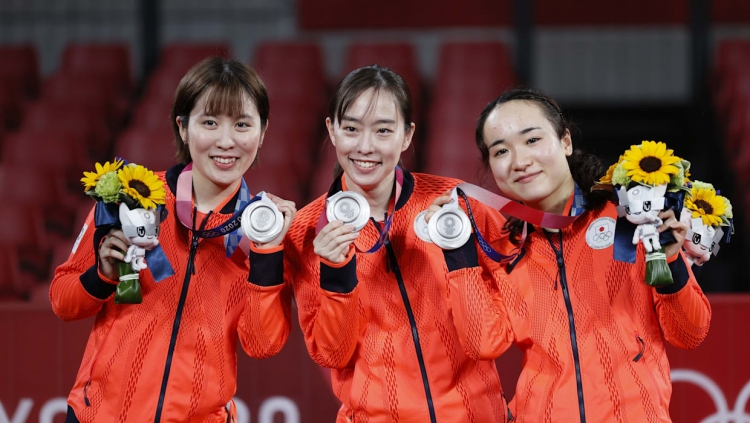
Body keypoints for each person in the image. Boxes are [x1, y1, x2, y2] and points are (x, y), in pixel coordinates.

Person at [427, 87, 711, 422]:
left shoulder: (629, 220)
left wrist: (671, 262)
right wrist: (457, 250)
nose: (520, 161)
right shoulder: (503, 250)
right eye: (501, 151)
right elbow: (483, 344)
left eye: (532, 140)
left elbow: (689, 332)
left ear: (565, 142)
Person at [51, 57, 295, 423]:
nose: (226, 141)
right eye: (209, 122)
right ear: (183, 127)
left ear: (262, 133)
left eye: (242, 124)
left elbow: (262, 344)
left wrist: (268, 252)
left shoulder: (264, 229)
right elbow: (62, 301)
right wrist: (101, 276)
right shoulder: (132, 196)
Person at [283, 65, 509, 422]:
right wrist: (336, 273)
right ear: (332, 130)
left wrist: (460, 256)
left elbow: (500, 329)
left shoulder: (457, 205)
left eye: (383, 130)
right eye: (351, 129)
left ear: (407, 136)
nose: (366, 146)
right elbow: (332, 354)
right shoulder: (306, 231)